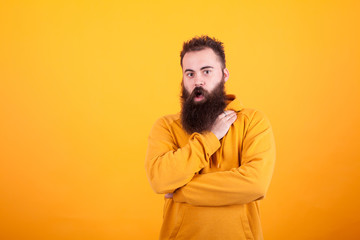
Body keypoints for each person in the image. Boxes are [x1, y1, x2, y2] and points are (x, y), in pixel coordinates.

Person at [145, 35, 276, 240]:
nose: (198, 80)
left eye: (206, 71)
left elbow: (255, 184)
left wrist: (180, 190)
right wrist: (210, 137)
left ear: (224, 75)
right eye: (190, 74)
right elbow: (160, 180)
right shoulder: (166, 127)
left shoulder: (253, 122)